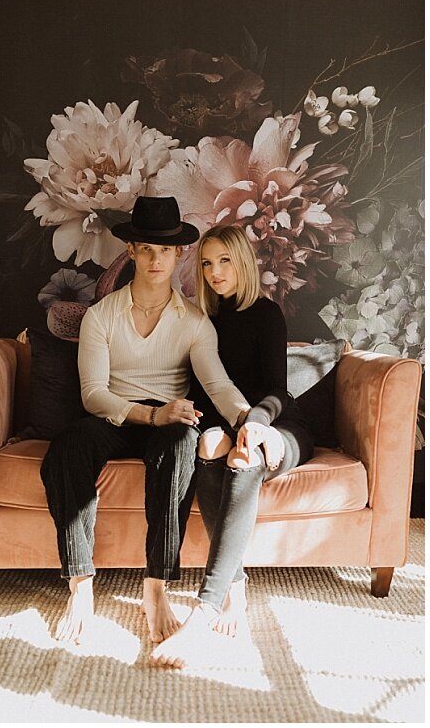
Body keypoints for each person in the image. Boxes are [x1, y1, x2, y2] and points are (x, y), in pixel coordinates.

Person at [39, 196, 250, 647]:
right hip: (114, 415)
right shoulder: (101, 316)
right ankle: (80, 588)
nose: (157, 258)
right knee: (67, 447)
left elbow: (217, 384)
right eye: (147, 248)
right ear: (131, 251)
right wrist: (149, 414)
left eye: (166, 250)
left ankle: (156, 588)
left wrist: (249, 420)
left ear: (180, 255)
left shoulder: (194, 322)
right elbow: (93, 393)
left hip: (169, 421)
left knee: (180, 444)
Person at [149, 224, 315, 667]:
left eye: (224, 260)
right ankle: (235, 590)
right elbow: (206, 394)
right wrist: (207, 423)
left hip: (280, 426)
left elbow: (278, 393)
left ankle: (204, 609)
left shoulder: (267, 315)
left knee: (243, 455)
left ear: (241, 261)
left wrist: (255, 423)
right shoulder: (202, 321)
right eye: (206, 263)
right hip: (231, 425)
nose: (215, 271)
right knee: (208, 447)